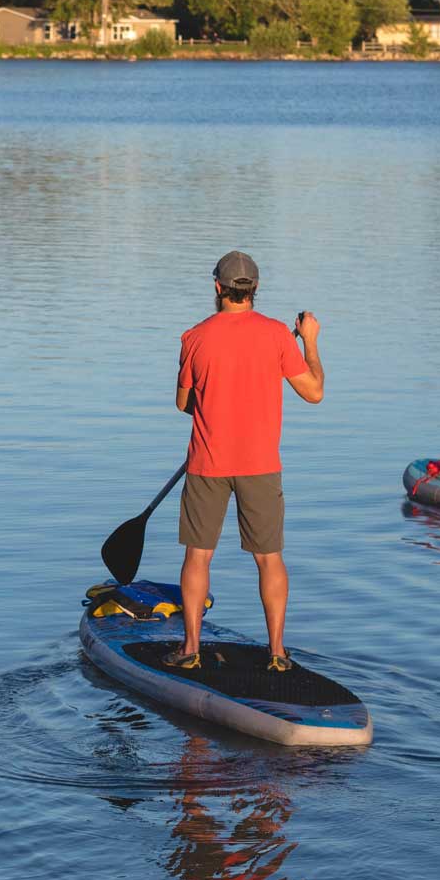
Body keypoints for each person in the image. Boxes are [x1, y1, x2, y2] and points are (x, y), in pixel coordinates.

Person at [172, 250, 323, 673]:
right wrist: (308, 341)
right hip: (260, 465)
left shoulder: (194, 338)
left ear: (217, 288)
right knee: (269, 558)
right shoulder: (278, 336)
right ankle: (276, 652)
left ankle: (190, 648)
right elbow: (314, 392)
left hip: (207, 463)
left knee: (198, 557)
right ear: (254, 290)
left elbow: (184, 403)